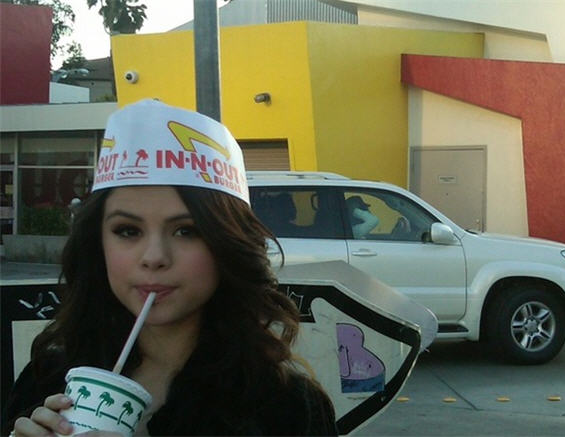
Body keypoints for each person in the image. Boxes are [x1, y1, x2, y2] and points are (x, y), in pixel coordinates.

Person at [2, 99, 337, 436]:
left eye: (186, 231)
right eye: (127, 231)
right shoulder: (47, 380)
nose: (154, 257)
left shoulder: (285, 406)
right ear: (97, 244)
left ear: (226, 244)